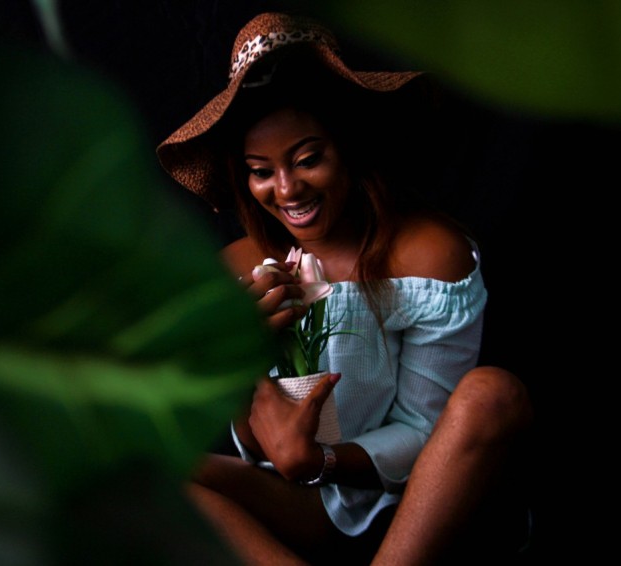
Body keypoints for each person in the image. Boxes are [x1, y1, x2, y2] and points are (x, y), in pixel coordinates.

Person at [156, 11, 533, 565]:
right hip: (304, 507)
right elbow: (263, 448)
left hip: (417, 502)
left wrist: (322, 461)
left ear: (349, 147)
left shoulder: (429, 254)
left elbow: (424, 431)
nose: (287, 189)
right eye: (261, 170)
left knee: (492, 393)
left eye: (308, 159)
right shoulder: (237, 268)